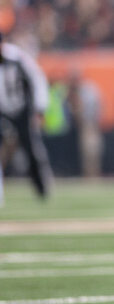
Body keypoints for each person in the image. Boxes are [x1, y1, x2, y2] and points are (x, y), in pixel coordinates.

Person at [0, 30, 53, 200]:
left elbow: (37, 78)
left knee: (31, 148)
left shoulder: (16, 58)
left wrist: (40, 107)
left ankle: (42, 188)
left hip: (21, 109)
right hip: (2, 111)